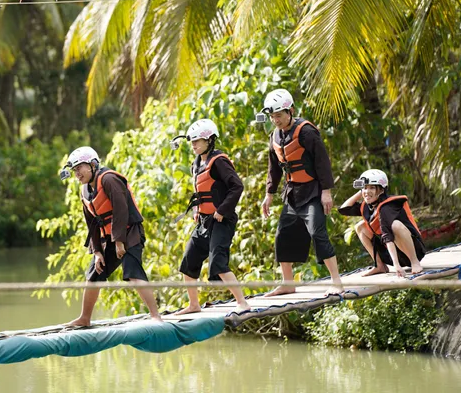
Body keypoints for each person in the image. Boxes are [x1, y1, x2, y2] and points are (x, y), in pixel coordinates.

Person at [60, 146, 162, 326]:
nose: (77, 173)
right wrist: (97, 251)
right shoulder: (84, 190)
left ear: (92, 164)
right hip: (109, 238)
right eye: (74, 170)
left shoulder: (109, 179)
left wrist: (120, 242)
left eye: (79, 168)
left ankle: (155, 316)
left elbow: (121, 210)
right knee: (94, 274)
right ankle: (85, 318)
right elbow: (91, 223)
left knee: (132, 271)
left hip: (129, 232)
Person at [257, 89, 343, 296]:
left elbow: (322, 162)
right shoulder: (274, 136)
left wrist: (326, 192)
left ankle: (337, 282)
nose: (275, 120)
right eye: (272, 116)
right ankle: (288, 283)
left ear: (290, 111)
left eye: (279, 115)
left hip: (312, 192)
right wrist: (269, 194)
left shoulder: (306, 131)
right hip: (293, 194)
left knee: (317, 232)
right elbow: (274, 168)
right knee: (282, 236)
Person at [170, 119, 251, 315]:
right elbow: (202, 191)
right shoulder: (196, 163)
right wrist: (198, 210)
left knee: (218, 262)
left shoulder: (219, 161)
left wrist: (222, 210)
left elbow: (237, 187)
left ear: (210, 140)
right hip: (204, 220)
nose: (194, 145)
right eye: (192, 142)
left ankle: (242, 303)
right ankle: (193, 305)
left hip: (222, 220)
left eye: (198, 141)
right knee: (188, 262)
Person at [339, 169, 425, 277]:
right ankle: (380, 266)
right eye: (365, 187)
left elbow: (387, 235)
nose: (367, 191)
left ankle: (415, 262)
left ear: (381, 190)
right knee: (360, 227)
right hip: (395, 252)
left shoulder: (388, 206)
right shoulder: (367, 206)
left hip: (414, 250)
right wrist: (362, 191)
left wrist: (396, 265)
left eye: (372, 187)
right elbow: (344, 209)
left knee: (395, 225)